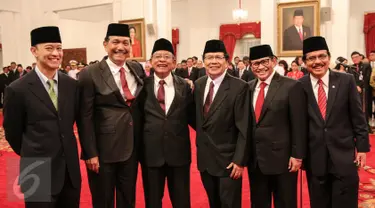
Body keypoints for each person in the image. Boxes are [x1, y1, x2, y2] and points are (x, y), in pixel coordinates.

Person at [3, 26, 81, 207]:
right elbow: (12, 133)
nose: (56, 53)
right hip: (36, 169)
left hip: (69, 170)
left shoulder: (71, 85)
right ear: (34, 51)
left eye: (59, 48)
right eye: (49, 48)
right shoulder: (17, 89)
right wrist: (34, 152)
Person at [77, 23, 145, 208]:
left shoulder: (136, 69)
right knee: (103, 200)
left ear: (131, 46)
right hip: (102, 152)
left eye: (125, 42)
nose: (121, 47)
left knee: (127, 198)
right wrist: (90, 153)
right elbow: (84, 117)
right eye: (115, 42)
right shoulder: (89, 74)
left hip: (131, 148)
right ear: (105, 44)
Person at [299, 36, 369, 208]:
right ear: (304, 61)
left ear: (329, 58)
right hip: (314, 156)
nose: (317, 62)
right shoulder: (299, 86)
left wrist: (361, 148)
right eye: (311, 58)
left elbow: (358, 117)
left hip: (343, 154)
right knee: (319, 202)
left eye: (322, 56)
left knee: (344, 201)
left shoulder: (346, 81)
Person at [247, 44, 307, 208]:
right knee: (258, 203)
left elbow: (299, 123)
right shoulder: (249, 87)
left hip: (284, 160)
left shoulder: (291, 86)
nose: (260, 67)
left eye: (264, 61)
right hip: (256, 160)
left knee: (285, 203)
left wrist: (297, 155)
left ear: (274, 61)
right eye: (255, 63)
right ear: (250, 66)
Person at [139, 38, 195, 208]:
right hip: (150, 154)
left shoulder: (185, 87)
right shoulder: (141, 86)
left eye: (166, 56)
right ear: (150, 62)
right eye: (157, 56)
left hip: (179, 155)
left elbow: (193, 117)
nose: (162, 60)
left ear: (174, 62)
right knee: (153, 202)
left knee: (182, 201)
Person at [194, 39, 249, 208]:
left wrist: (239, 161)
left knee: (229, 204)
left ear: (226, 60)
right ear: (204, 61)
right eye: (209, 58)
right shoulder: (199, 84)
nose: (214, 62)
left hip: (229, 161)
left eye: (218, 57)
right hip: (205, 159)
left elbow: (244, 128)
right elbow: (197, 119)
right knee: (214, 203)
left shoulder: (239, 87)